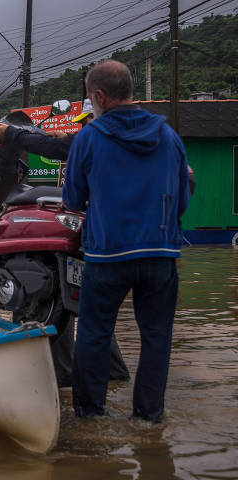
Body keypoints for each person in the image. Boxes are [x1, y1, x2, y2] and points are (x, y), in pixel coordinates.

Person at [62, 60, 190, 422]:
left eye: (90, 98)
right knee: (156, 337)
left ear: (100, 96)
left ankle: (90, 417)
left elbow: (72, 199)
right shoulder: (169, 137)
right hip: (161, 255)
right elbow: (181, 201)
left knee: (93, 335)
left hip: (107, 256)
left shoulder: (89, 137)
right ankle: (148, 420)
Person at [0, 98, 130, 388]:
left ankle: (61, 377)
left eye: (85, 122)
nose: (82, 129)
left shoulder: (94, 142)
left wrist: (11, 134)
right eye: (79, 124)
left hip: (97, 237)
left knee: (59, 297)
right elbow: (59, 142)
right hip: (108, 239)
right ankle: (113, 376)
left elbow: (59, 146)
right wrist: (44, 134)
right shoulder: (120, 141)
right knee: (90, 307)